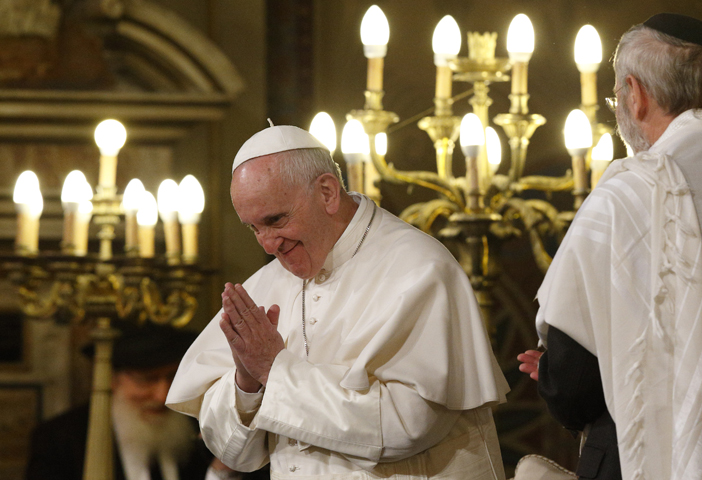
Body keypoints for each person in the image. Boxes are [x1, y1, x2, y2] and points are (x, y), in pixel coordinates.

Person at [166, 124, 510, 479]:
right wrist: (246, 381)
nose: (268, 245)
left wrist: (273, 370)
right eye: (253, 228)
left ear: (328, 192)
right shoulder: (266, 285)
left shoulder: (419, 268)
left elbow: (410, 426)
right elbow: (232, 454)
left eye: (275, 220)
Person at [518, 12, 702, 480]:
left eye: (617, 94)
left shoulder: (626, 196)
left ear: (636, 96)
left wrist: (555, 374)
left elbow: (575, 385)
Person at [26, 321, 268, 480]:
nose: (163, 396)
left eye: (173, 377)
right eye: (146, 380)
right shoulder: (61, 439)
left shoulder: (204, 428)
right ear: (112, 379)